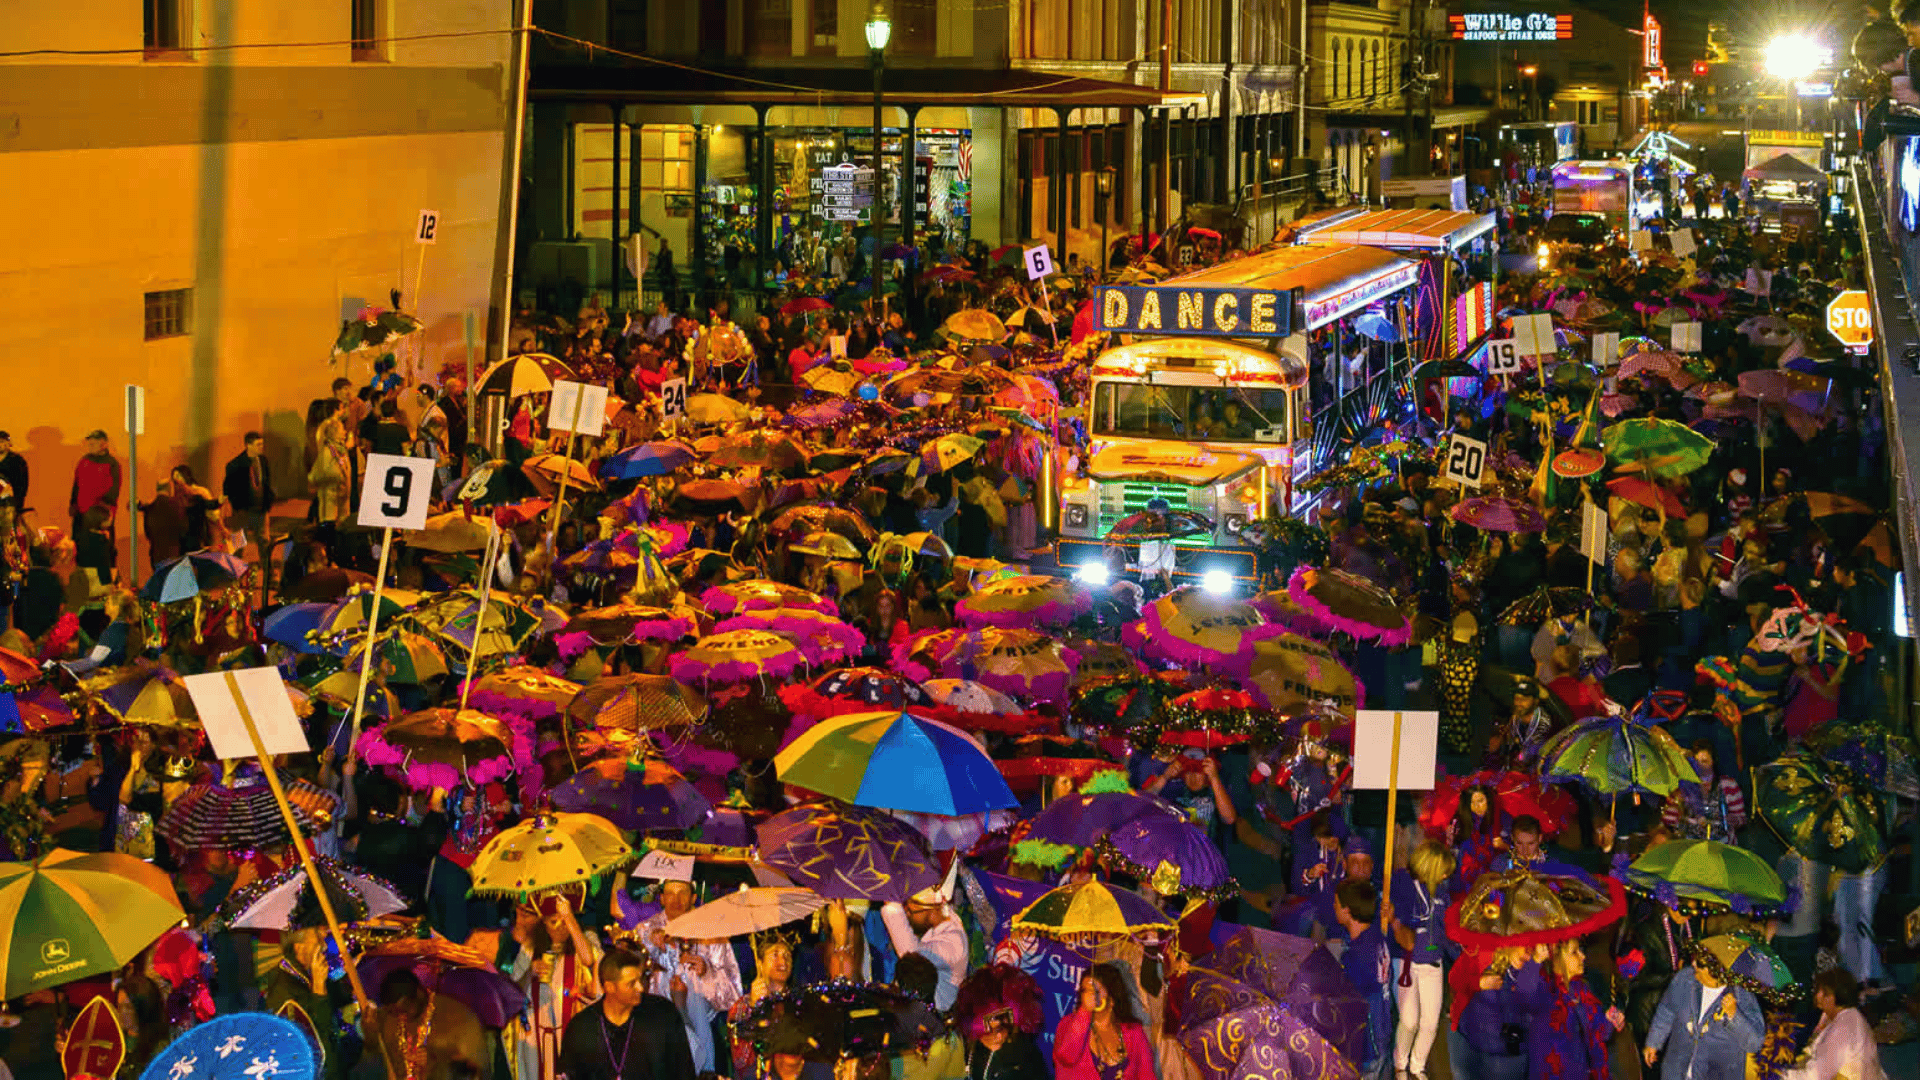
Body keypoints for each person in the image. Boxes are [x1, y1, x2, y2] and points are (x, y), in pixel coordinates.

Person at [556, 948, 699, 1080]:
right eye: (631, 983)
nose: (640, 987)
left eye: (640, 978)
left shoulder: (663, 1013)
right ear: (609, 987)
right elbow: (568, 1074)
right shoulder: (582, 1027)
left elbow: (684, 1071)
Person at [508, 892, 603, 1080]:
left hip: (574, 1034)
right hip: (537, 1035)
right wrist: (530, 973)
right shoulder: (530, 946)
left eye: (565, 921)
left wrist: (569, 919)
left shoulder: (585, 939)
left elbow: (588, 959)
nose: (561, 928)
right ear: (543, 923)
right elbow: (512, 993)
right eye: (554, 921)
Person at [1391, 841, 1457, 1079]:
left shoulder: (1442, 892)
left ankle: (1418, 1067)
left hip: (1433, 964)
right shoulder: (1404, 886)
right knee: (1409, 1021)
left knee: (1430, 1022)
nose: (1446, 874)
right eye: (1442, 869)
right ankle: (1400, 1065)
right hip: (1407, 964)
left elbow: (1447, 932)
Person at [1642, 955, 1764, 1080]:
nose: (1693, 964)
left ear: (1716, 970)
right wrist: (1654, 1041)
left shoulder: (1742, 995)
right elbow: (1667, 1010)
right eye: (1695, 958)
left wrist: (1734, 1015)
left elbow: (1754, 1043)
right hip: (1676, 1071)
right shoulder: (1685, 978)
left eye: (1700, 963)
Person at [374, 967, 496, 1080]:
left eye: (406, 1008)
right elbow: (383, 1063)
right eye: (395, 1012)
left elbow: (477, 1072)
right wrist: (370, 1034)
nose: (402, 1016)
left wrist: (434, 1063)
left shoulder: (458, 1017)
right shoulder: (390, 1019)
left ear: (419, 992)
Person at [1528, 939, 1624, 1080]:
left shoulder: (1581, 989)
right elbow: (1523, 992)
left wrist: (1611, 1021)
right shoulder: (1545, 993)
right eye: (1574, 952)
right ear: (1558, 959)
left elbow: (1598, 1034)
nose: (1582, 956)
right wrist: (1535, 960)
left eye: (1581, 951)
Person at [881, 873, 969, 1011]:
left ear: (931, 911)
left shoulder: (954, 942)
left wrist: (892, 908)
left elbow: (911, 956)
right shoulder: (944, 921)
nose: (907, 916)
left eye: (910, 911)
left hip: (936, 1021)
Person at [1053, 963, 1154, 1080]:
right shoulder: (1068, 1024)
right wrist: (1084, 1012)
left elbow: (1147, 1076)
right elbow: (1066, 1057)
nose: (1089, 995)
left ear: (1112, 998)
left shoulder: (1134, 1032)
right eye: (1085, 990)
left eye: (1095, 991)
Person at [1781, 969, 1884, 1080]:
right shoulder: (1845, 1015)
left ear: (1839, 995)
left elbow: (1815, 1076)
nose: (1818, 996)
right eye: (1817, 991)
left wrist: (1776, 1075)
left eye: (1825, 993)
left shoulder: (1843, 1027)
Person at [1336, 878, 1392, 1079]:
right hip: (1383, 1029)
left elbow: (1350, 1001)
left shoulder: (1355, 956)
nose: (1334, 907)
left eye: (1337, 903)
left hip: (1368, 1044)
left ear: (1347, 911)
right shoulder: (1376, 936)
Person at [951, 964, 1048, 1080]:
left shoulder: (1026, 1055)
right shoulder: (968, 1049)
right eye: (989, 1031)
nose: (999, 1036)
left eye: (1004, 1026)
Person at [221, 431, 275, 555]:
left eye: (262, 444)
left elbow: (266, 482)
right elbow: (228, 487)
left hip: (261, 509)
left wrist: (268, 501)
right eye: (258, 445)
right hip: (243, 512)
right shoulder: (235, 465)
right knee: (238, 545)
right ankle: (237, 571)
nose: (261, 447)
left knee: (264, 544)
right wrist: (236, 505)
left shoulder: (263, 461)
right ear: (248, 445)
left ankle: (268, 572)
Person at [69, 429, 122, 545]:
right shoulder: (84, 461)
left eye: (93, 443)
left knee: (100, 547)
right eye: (89, 444)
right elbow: (76, 484)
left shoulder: (112, 464)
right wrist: (73, 503)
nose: (90, 446)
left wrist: (102, 511)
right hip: (81, 514)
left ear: (104, 444)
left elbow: (113, 491)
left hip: (100, 516)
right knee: (80, 547)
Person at [0, 431, 27, 511]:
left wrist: (17, 502)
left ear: (8, 443)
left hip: (9, 503)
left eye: (1, 442)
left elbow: (22, 485)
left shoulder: (17, 460)